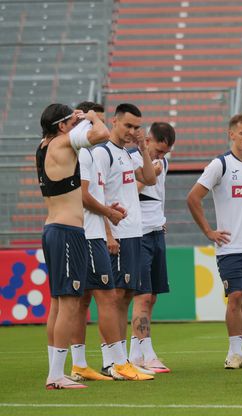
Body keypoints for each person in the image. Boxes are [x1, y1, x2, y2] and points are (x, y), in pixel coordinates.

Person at [187, 114, 242, 370]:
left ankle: (238, 353)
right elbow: (193, 198)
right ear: (232, 135)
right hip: (229, 247)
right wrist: (209, 231)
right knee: (235, 295)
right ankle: (232, 353)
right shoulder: (220, 164)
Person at [37, 103, 110, 389]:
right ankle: (56, 375)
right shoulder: (62, 142)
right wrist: (90, 117)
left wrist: (75, 119)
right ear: (62, 125)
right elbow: (102, 133)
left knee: (57, 303)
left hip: (53, 229)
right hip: (68, 232)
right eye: (71, 120)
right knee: (69, 304)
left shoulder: (44, 145)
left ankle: (56, 372)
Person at [92, 103, 156, 381]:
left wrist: (142, 148)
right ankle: (112, 360)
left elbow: (150, 179)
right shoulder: (103, 153)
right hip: (116, 233)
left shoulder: (128, 154)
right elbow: (96, 196)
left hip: (134, 232)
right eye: (128, 126)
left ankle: (121, 359)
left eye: (137, 127)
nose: (132, 131)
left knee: (126, 296)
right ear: (115, 122)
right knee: (115, 297)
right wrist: (107, 233)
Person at [67, 102, 124, 382]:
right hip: (89, 236)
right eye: (92, 121)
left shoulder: (88, 155)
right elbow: (84, 196)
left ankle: (79, 365)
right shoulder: (84, 154)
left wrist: (107, 213)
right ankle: (115, 363)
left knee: (83, 301)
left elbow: (92, 197)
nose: (99, 126)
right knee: (108, 298)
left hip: (92, 233)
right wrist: (109, 213)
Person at [128, 122, 176, 373]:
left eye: (165, 152)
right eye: (158, 150)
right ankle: (147, 353)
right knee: (142, 296)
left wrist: (161, 220)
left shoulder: (162, 163)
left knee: (152, 297)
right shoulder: (128, 160)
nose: (161, 156)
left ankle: (135, 354)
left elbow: (157, 189)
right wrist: (146, 175)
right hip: (138, 235)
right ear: (147, 140)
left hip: (156, 232)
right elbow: (130, 191)